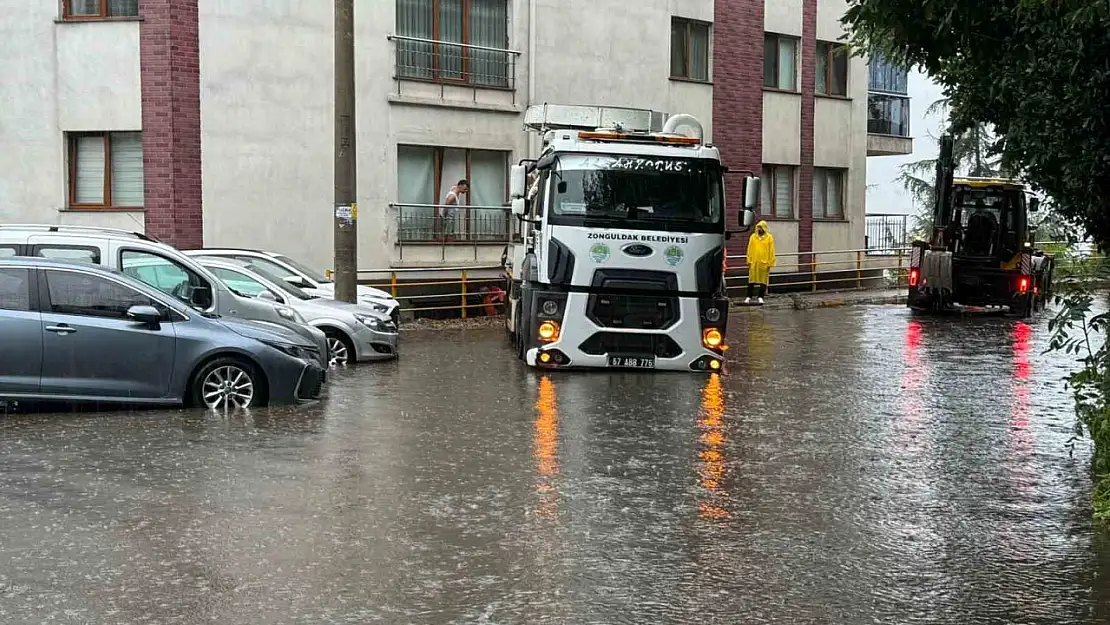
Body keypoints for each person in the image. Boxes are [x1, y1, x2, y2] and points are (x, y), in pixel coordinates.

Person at [745, 220, 776, 304]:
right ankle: (748, 296)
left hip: (764, 262)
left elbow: (771, 250)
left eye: (761, 227)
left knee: (763, 280)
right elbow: (749, 248)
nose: (759, 229)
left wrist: (770, 262)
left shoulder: (769, 237)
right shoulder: (753, 237)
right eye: (758, 227)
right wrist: (749, 259)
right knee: (751, 280)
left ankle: (761, 297)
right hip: (754, 262)